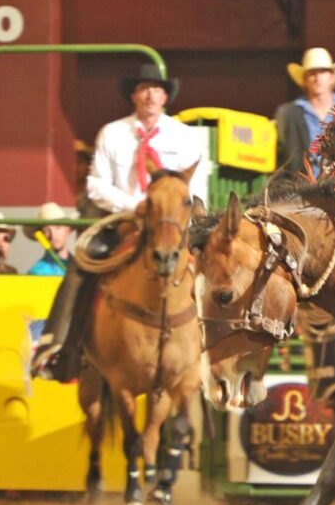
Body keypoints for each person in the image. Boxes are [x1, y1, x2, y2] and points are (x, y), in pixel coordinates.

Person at [33, 64, 207, 378]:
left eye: (157, 88)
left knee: (216, 271)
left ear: (166, 95)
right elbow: (96, 186)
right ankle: (59, 347)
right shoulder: (112, 133)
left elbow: (198, 187)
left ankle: (214, 352)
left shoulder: (185, 136)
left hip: (173, 225)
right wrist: (134, 204)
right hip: (124, 221)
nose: (150, 94)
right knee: (82, 265)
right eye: (144, 88)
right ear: (133, 95)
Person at [274, 48, 335, 178]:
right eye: (312, 73)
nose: (317, 78)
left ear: (332, 77)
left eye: (322, 71)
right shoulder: (289, 114)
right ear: (305, 79)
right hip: (301, 191)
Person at [26, 201, 77, 276]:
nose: (52, 235)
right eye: (46, 230)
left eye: (58, 227)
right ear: (40, 236)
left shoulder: (82, 267)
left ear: (68, 230)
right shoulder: (37, 273)